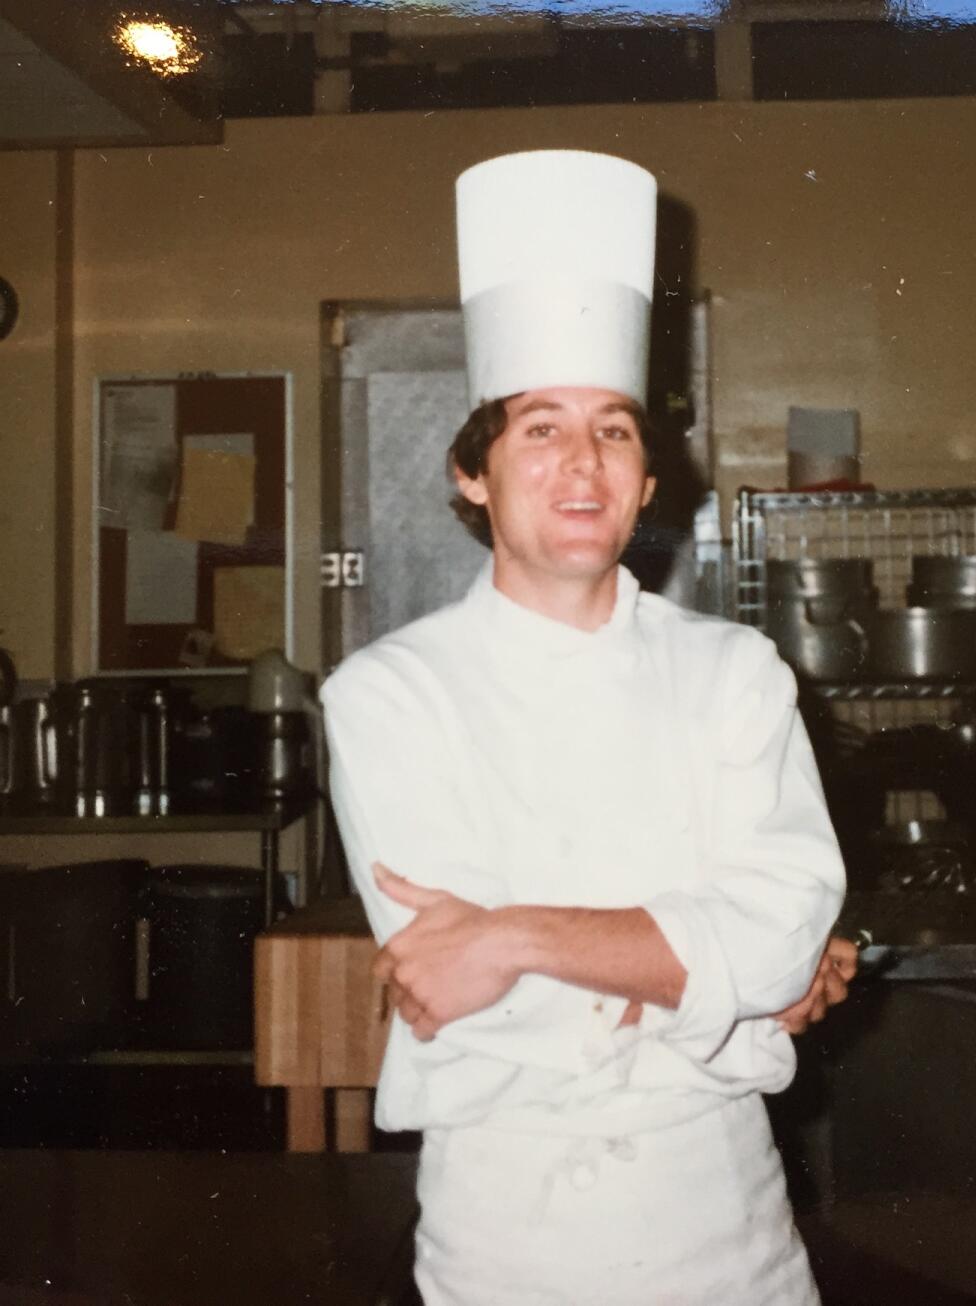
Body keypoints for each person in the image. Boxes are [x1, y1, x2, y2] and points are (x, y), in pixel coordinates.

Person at [321, 150, 853, 1305]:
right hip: (515, 1242)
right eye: (541, 429)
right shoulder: (387, 694)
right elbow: (462, 1002)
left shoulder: (735, 670)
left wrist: (510, 934)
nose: (582, 463)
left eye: (614, 431)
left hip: (736, 1237)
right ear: (474, 472)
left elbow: (779, 934)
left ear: (648, 479)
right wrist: (722, 981)